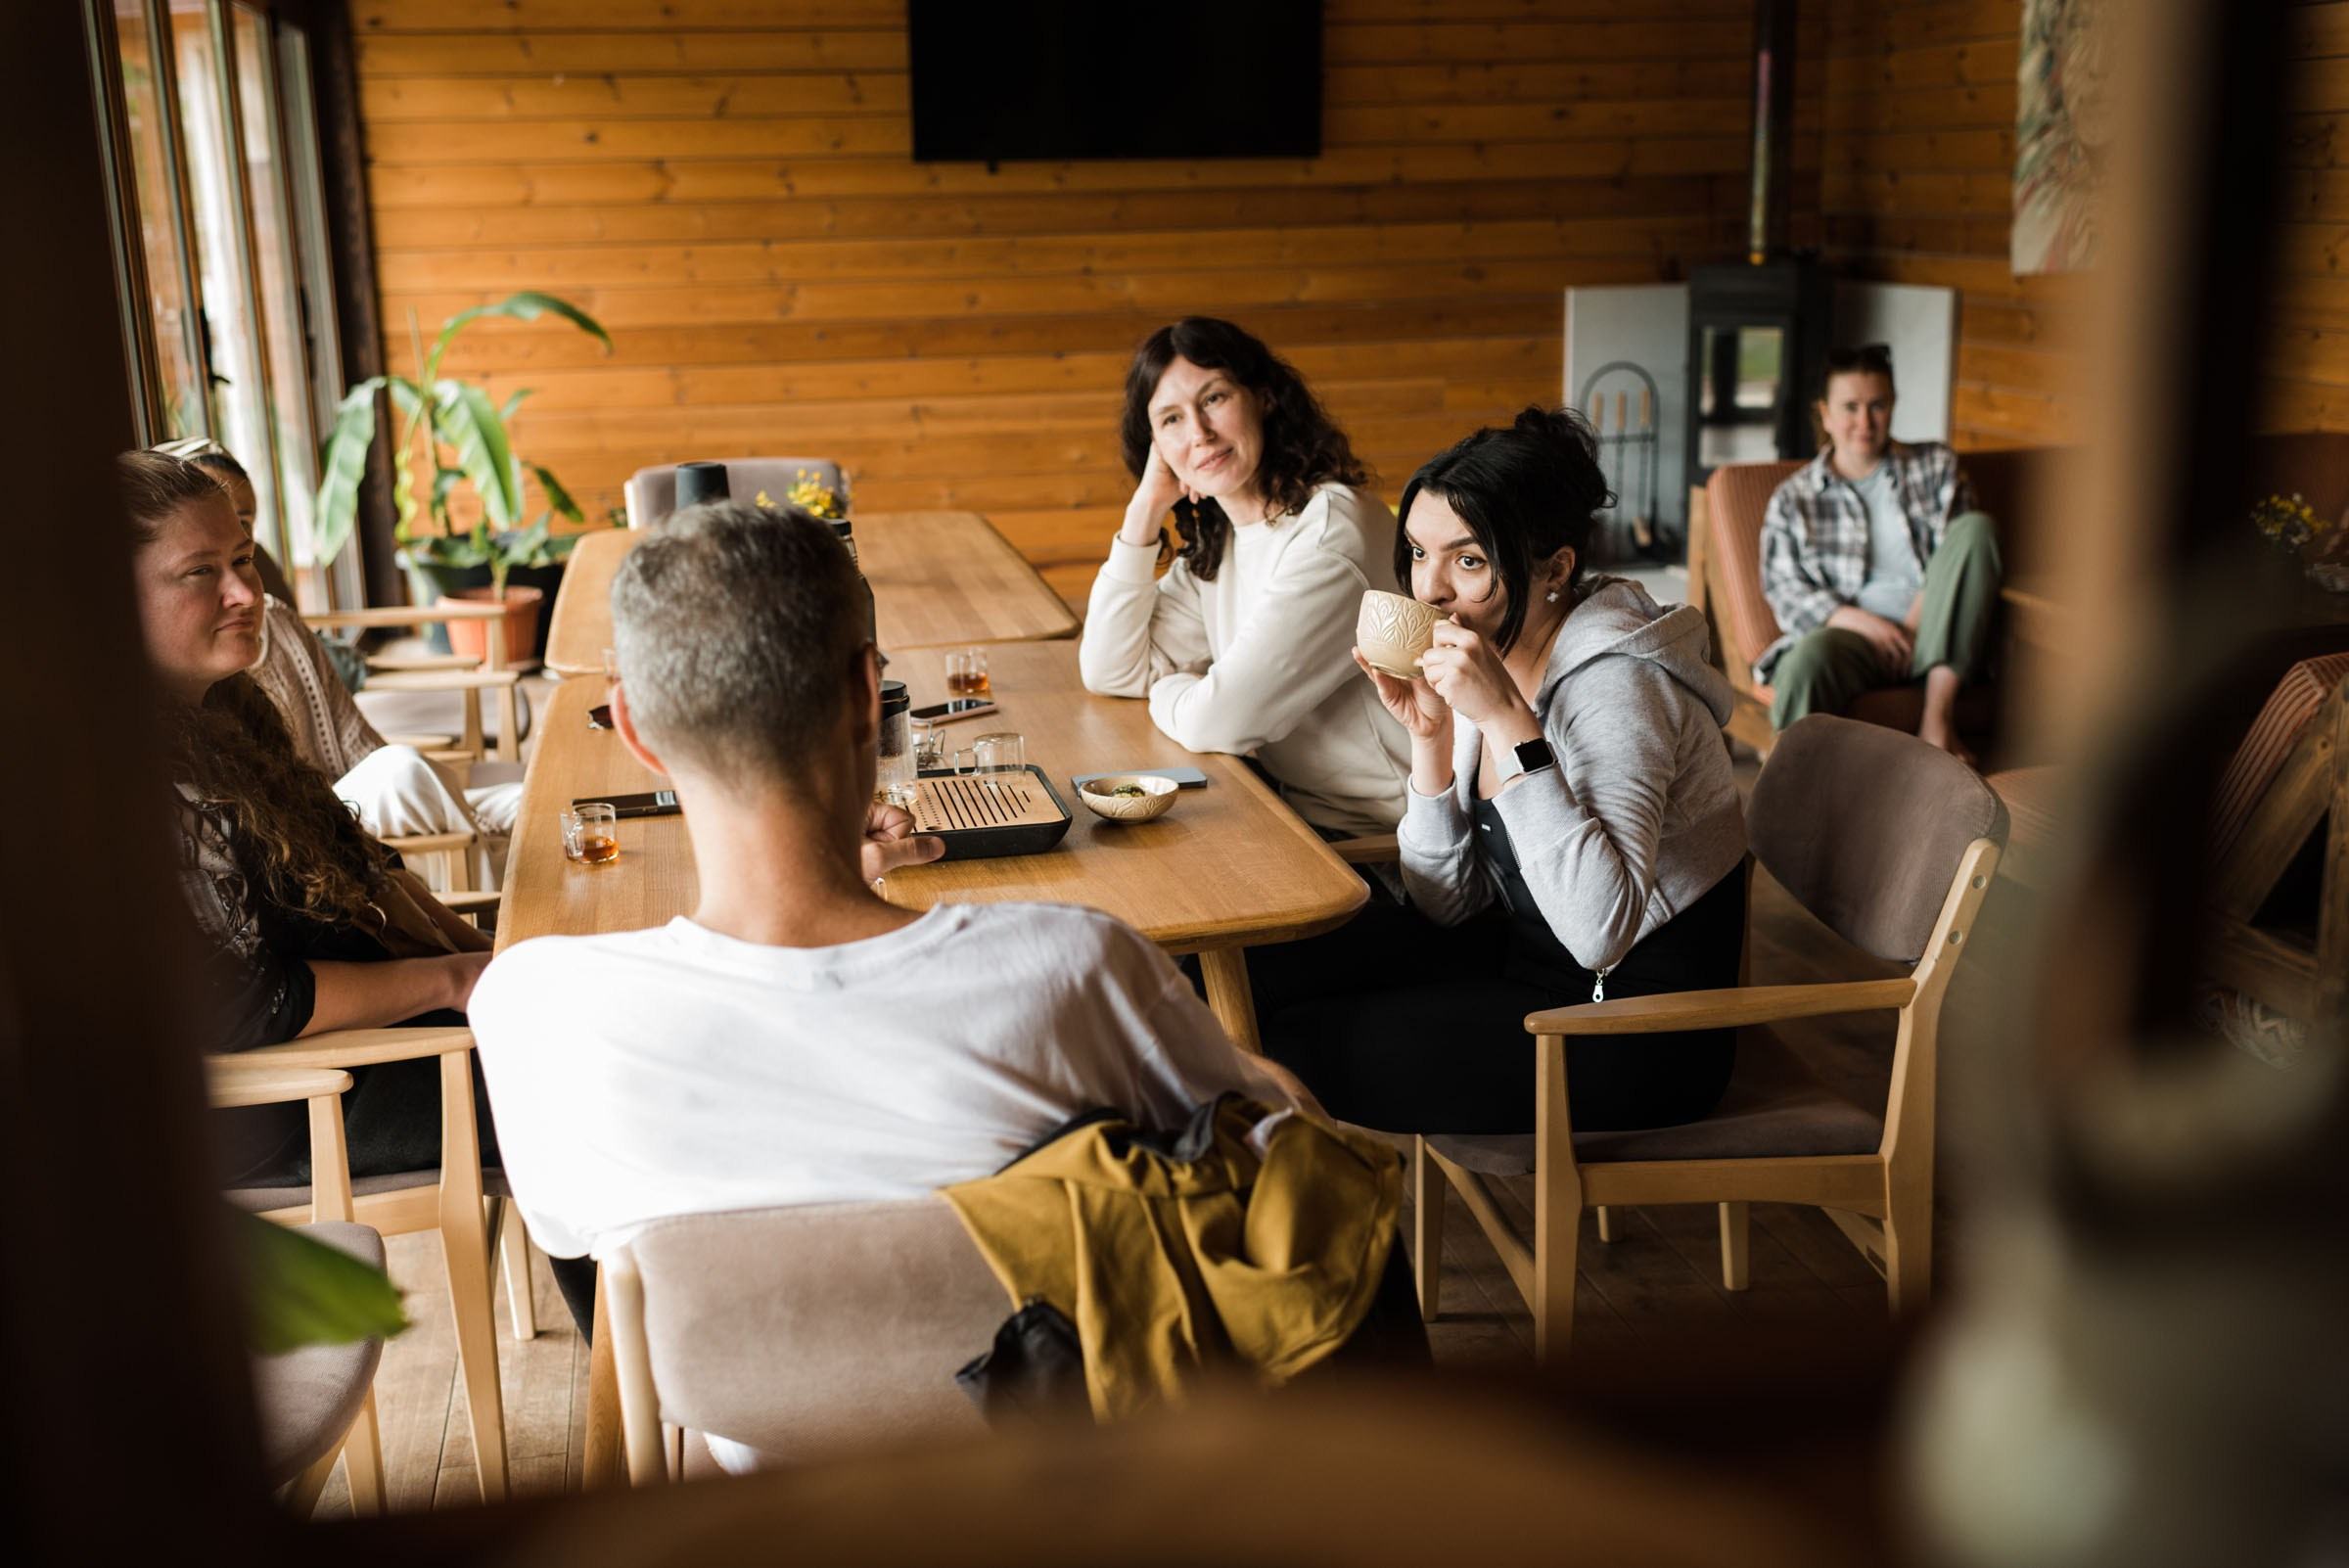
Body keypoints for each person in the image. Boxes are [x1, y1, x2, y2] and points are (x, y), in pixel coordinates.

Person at [467, 502, 1324, 1433]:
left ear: (633, 727)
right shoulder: (1072, 970)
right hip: (1074, 1490)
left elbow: (573, 1238)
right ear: (868, 694)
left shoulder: (533, 1006)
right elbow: (1287, 1155)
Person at [1255, 409, 1749, 1134]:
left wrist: (1512, 727)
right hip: (1526, 965)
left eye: (1470, 560)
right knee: (1253, 976)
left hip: (1635, 1027)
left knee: (1291, 1044)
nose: (1431, 590)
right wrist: (1429, 743)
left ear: (1555, 568)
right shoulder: (1491, 654)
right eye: (1419, 554)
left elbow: (1599, 933)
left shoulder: (1617, 687)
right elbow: (1446, 907)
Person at [125, 449, 494, 1178]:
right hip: (294, 1104)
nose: (244, 592)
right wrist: (455, 980)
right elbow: (247, 1006)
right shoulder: (131, 774)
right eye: (200, 572)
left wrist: (482, 952)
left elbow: (356, 860)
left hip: (372, 1038)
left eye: (243, 558)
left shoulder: (229, 706)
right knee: (589, 1082)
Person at [1079, 317, 1410, 838]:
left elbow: (1221, 723)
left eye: (1213, 399)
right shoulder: (1222, 540)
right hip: (1290, 815)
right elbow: (1110, 672)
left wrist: (1174, 689)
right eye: (1170, 420)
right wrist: (1144, 508)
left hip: (1387, 848)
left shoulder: (1330, 533)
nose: (1199, 433)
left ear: (1264, 397)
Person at [160, 438, 524, 886]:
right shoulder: (198, 669)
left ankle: (501, 847)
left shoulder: (275, 619)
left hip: (335, 802)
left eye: (245, 519)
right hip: (311, 821)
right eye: (201, 567)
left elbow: (354, 737)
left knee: (530, 799)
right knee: (403, 771)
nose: (237, 525)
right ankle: (503, 882)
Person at [1754, 343, 2004, 761]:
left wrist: (1912, 627)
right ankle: (1788, 791)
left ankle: (1936, 721)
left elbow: (1960, 557)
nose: (1865, 421)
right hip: (1854, 638)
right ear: (1826, 414)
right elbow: (1784, 589)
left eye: (1878, 405)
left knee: (1977, 529)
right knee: (1805, 659)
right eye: (1850, 407)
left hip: (1938, 628)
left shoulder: (1936, 464)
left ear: (1893, 406)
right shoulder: (1794, 498)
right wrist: (1867, 625)